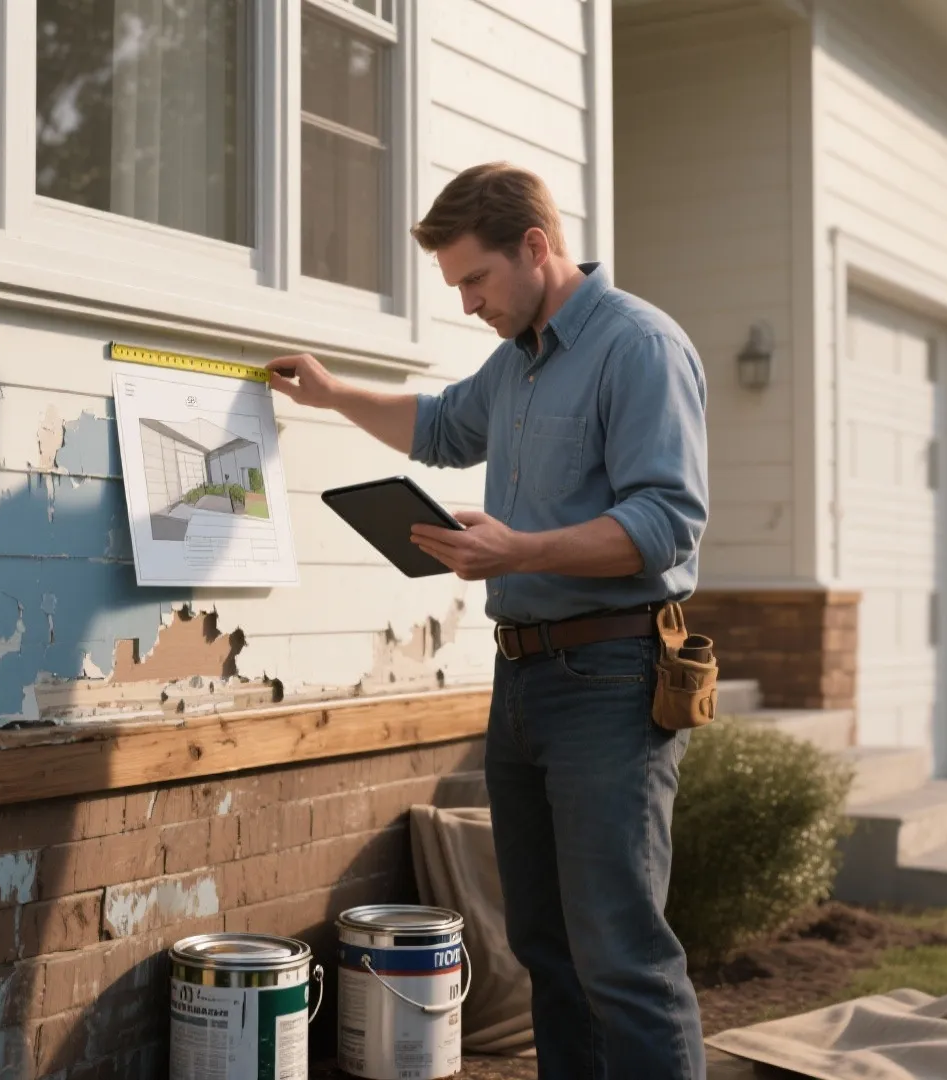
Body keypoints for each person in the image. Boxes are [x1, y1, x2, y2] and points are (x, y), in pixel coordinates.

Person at [267, 162, 708, 1079]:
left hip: (614, 679)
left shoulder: (640, 347)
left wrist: (521, 550)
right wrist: (332, 393)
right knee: (545, 951)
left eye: (475, 279)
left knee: (620, 955)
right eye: (457, 284)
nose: (467, 303)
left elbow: (666, 523)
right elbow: (438, 427)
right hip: (523, 683)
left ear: (536, 249)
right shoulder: (518, 362)